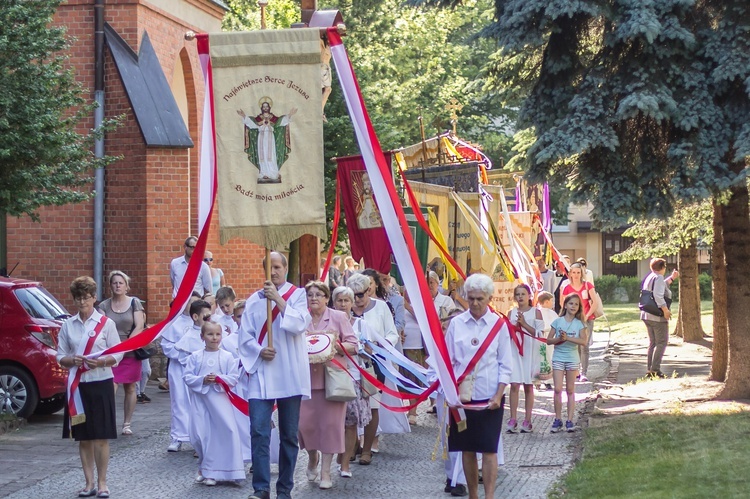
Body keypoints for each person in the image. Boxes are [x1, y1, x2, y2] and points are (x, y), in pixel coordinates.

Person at [238, 252, 311, 499]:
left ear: (285, 268)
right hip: (262, 372)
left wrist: (278, 298)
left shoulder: (298, 295)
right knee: (259, 431)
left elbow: (299, 324)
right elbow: (244, 336)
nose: (275, 272)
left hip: (289, 374)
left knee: (289, 435)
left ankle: (284, 488)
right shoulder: (253, 300)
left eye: (278, 267)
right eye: (270, 268)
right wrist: (259, 351)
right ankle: (260, 488)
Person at [445, 273, 512, 499]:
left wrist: (499, 394)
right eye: (471, 298)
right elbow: (448, 361)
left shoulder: (499, 325)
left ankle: (489, 496)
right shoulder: (456, 324)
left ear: (489, 298)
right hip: (462, 398)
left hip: (490, 396)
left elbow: (506, 363)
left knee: (489, 448)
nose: (474, 303)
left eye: (479, 299)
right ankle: (473, 495)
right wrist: (449, 391)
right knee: (467, 447)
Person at [57, 276, 123, 498]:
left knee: (101, 436)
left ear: (94, 298)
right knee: (83, 436)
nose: (82, 302)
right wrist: (71, 360)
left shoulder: (106, 324)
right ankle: (88, 483)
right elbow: (60, 356)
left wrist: (102, 361)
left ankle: (103, 483)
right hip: (77, 388)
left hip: (101, 383)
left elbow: (118, 353)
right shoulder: (68, 325)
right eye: (78, 298)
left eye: (86, 298)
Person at [299, 281, 358, 490]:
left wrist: (333, 345)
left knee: (331, 427)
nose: (313, 298)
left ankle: (325, 471)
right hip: (305, 381)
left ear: (326, 298)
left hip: (332, 380)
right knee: (305, 426)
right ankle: (312, 456)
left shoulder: (338, 317)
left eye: (318, 294)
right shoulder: (300, 318)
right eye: (310, 295)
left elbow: (354, 344)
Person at [184, 322, 245, 486]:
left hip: (220, 402)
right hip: (201, 401)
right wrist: (202, 380)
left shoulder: (227, 357)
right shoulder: (195, 356)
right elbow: (187, 377)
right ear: (202, 337)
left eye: (217, 334)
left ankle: (230, 470)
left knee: (227, 431)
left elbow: (233, 377)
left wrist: (219, 379)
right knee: (201, 435)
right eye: (210, 334)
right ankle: (204, 468)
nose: (214, 338)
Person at [347, 272, 399, 465]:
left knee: (373, 405)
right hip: (349, 363)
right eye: (354, 296)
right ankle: (351, 446)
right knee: (349, 406)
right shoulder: (345, 308)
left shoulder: (381, 307)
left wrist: (378, 345)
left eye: (360, 295)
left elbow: (392, 334)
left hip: (374, 362)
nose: (357, 300)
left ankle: (367, 448)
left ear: (369, 290)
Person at [331, 286, 373, 478]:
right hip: (331, 378)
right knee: (334, 422)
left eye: (346, 300)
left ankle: (346, 463)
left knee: (350, 424)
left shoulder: (360, 325)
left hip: (354, 377)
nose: (343, 304)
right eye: (339, 300)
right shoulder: (328, 323)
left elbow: (371, 351)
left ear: (352, 303)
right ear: (333, 302)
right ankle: (338, 454)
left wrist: (361, 347)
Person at [98, 271, 145, 436]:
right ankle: (107, 420)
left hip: (130, 351)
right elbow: (102, 329)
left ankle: (127, 423)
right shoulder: (104, 306)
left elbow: (139, 326)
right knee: (110, 385)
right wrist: (115, 348)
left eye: (120, 283)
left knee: (131, 387)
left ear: (126, 286)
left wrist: (127, 345)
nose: (117, 285)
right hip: (112, 352)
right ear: (110, 286)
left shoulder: (134, 303)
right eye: (114, 283)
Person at [160, 291, 202, 452]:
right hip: (179, 368)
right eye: (190, 302)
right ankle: (177, 436)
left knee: (197, 402)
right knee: (179, 401)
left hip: (198, 368)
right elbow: (167, 347)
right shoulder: (174, 323)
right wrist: (185, 356)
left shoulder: (203, 323)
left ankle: (198, 436)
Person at [506, 284, 544, 434]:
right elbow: (507, 333)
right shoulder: (511, 313)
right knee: (514, 385)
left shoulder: (536, 313)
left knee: (528, 386)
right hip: (515, 351)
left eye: (523, 294)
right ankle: (513, 417)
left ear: (529, 296)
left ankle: (527, 419)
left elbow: (539, 334)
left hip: (530, 351)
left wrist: (524, 324)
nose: (520, 297)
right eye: (518, 294)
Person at [547, 294, 588, 433]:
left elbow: (583, 341)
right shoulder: (558, 321)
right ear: (565, 305)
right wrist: (559, 339)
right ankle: (557, 419)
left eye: (576, 304)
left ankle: (570, 420)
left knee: (570, 390)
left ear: (579, 308)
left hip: (572, 358)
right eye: (571, 303)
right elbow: (548, 340)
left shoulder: (579, 324)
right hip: (558, 357)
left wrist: (568, 338)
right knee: (557, 389)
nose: (573, 306)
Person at [237, 100, 297, 182]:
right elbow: (252, 125)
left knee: (271, 154)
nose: (265, 108)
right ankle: (264, 173)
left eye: (267, 106)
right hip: (261, 138)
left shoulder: (273, 118)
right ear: (261, 108)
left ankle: (273, 173)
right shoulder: (258, 118)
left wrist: (290, 114)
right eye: (264, 106)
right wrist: (244, 116)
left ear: (269, 107)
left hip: (270, 137)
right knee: (263, 155)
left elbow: (281, 122)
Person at [559, 262, 599, 381]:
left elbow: (595, 302)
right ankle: (575, 371)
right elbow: (563, 303)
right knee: (574, 346)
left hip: (587, 319)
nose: (576, 275)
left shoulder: (588, 285)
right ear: (570, 274)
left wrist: (586, 316)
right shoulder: (567, 288)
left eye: (578, 272)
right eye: (574, 272)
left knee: (584, 346)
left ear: (581, 273)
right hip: (573, 320)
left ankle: (584, 373)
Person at [641, 258, 679, 379]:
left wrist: (672, 278)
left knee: (653, 343)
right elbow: (658, 295)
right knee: (661, 342)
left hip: (647, 314)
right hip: (656, 316)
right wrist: (665, 310)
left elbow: (660, 287)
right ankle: (655, 369)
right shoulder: (658, 278)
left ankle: (650, 369)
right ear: (662, 267)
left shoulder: (651, 276)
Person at [536, 292, 558, 390]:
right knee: (547, 358)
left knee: (542, 358)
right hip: (546, 336)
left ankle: (541, 381)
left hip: (545, 336)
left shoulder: (550, 313)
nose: (552, 303)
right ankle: (543, 380)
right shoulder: (540, 312)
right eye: (551, 301)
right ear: (546, 301)